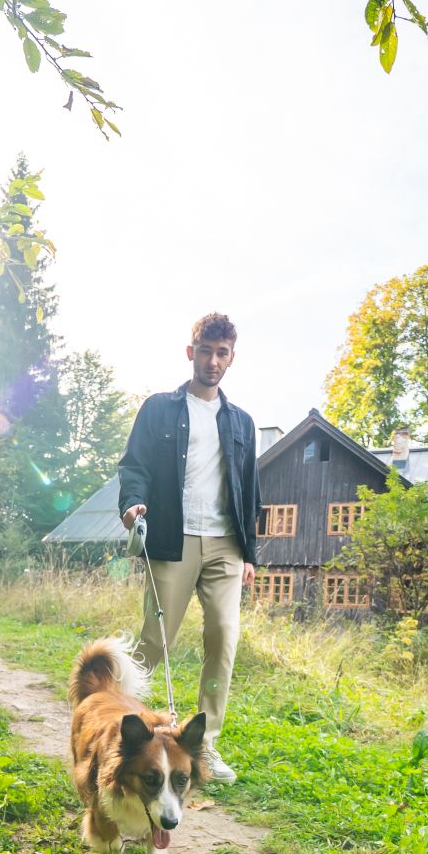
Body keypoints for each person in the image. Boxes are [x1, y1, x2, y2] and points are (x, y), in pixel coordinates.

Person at [116, 312, 258, 784]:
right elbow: (133, 465)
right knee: (155, 642)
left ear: (231, 358)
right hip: (172, 539)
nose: (213, 361)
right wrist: (133, 504)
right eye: (205, 351)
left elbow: (249, 489)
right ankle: (127, 733)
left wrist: (250, 554)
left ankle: (205, 744)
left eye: (222, 354)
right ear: (190, 352)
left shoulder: (242, 423)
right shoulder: (159, 409)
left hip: (225, 544)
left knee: (223, 636)